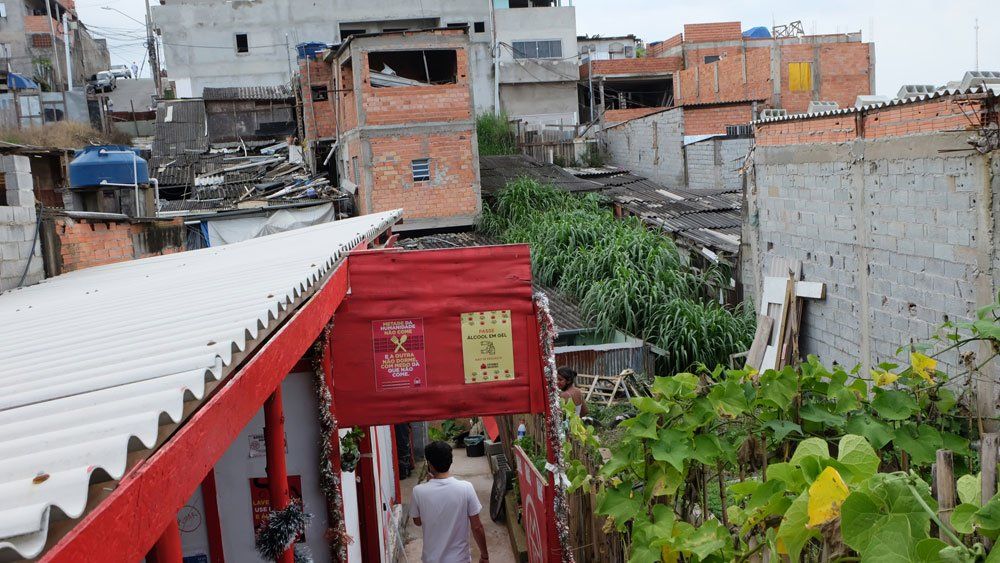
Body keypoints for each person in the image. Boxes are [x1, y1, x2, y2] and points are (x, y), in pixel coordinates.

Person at [411, 441, 489, 563]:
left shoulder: (418, 491)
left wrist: (428, 484)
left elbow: (417, 522)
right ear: (451, 461)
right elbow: (477, 527)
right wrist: (484, 556)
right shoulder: (466, 488)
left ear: (429, 464)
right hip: (460, 560)